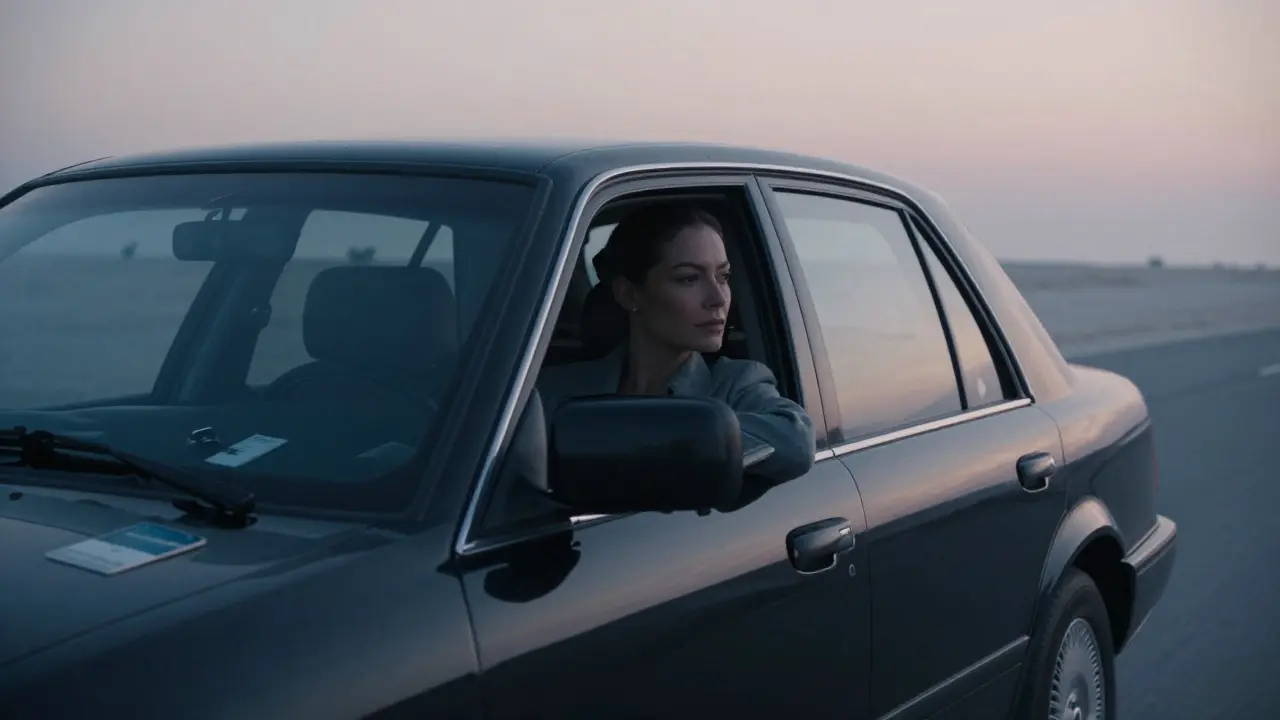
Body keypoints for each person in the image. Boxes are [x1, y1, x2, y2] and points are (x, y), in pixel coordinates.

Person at [537, 201, 815, 486]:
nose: (718, 298)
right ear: (629, 295)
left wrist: (683, 433)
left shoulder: (734, 384)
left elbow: (797, 441)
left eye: (724, 276)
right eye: (689, 278)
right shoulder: (554, 392)